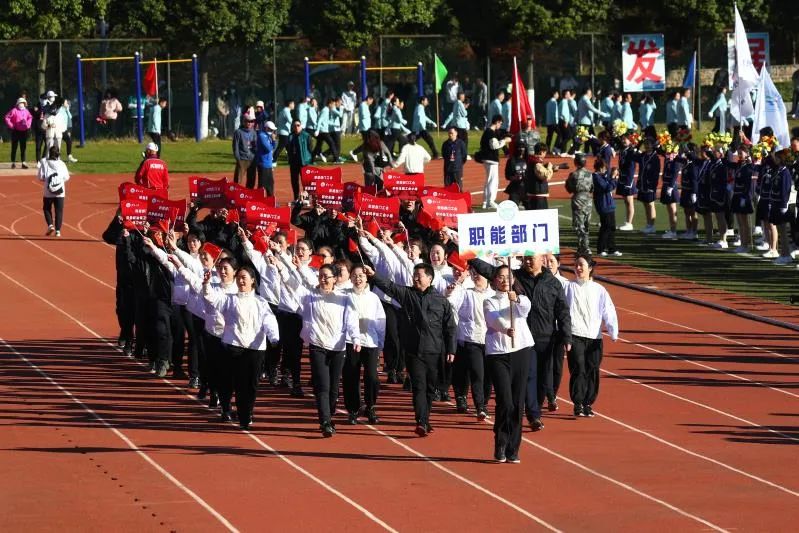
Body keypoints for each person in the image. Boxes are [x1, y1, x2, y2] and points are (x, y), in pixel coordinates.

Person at [367, 263, 457, 437]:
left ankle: (425, 419)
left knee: (431, 389)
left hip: (434, 351)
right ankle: (421, 421)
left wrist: (451, 349)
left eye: (419, 275)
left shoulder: (441, 301)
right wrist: (373, 275)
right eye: (414, 275)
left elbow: (450, 328)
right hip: (414, 351)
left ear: (429, 279)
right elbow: (389, 287)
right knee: (419, 386)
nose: (415, 278)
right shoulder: (407, 295)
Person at [279, 261, 360, 437]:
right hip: (317, 346)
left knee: (333, 388)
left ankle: (329, 415)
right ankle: (325, 422)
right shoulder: (310, 296)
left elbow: (352, 320)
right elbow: (293, 286)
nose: (323, 279)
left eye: (327, 276)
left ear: (334, 279)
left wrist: (355, 338)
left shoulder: (344, 298)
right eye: (321, 276)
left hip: (338, 347)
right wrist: (281, 268)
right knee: (322, 386)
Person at [483, 265, 534, 463]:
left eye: (508, 277)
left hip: (521, 350)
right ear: (495, 280)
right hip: (498, 354)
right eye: (500, 277)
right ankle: (501, 441)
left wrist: (517, 300)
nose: (504, 281)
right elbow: (493, 319)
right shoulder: (489, 300)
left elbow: (525, 310)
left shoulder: (521, 299)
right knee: (505, 401)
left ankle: (513, 447)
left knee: (518, 402)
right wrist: (505, 329)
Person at [565, 254, 618, 418]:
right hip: (576, 334)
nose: (578, 268)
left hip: (594, 337)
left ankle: (588, 403)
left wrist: (612, 330)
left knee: (592, 370)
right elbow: (561, 310)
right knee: (579, 368)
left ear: (590, 268)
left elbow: (608, 310)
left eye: (581, 265)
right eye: (576, 265)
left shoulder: (599, 290)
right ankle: (578, 403)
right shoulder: (568, 287)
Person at [342, 264, 386, 425]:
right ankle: (353, 409)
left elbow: (381, 321)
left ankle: (371, 406)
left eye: (361, 275)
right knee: (351, 375)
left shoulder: (374, 298)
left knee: (372, 377)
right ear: (350, 278)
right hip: (350, 341)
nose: (358, 278)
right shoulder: (345, 295)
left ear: (367, 277)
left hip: (370, 342)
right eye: (354, 275)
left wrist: (380, 343)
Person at [446, 267, 493, 418]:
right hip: (471, 339)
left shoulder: (494, 294)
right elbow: (451, 304)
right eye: (473, 273)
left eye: (479, 273)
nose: (476, 276)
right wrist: (457, 286)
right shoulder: (466, 293)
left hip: (491, 341)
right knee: (477, 374)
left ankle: (484, 402)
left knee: (488, 376)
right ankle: (480, 407)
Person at [37, 145, 70, 237]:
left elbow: (40, 177)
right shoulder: (62, 164)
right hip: (60, 192)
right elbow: (66, 177)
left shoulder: (44, 162)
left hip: (48, 191)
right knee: (59, 211)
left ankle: (50, 225)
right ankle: (58, 231)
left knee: (46, 208)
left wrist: (46, 179)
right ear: (58, 154)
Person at [479, 114, 510, 209]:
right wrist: (505, 141)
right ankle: (491, 201)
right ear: (497, 122)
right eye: (500, 123)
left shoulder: (487, 132)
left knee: (489, 180)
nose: (500, 125)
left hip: (487, 159)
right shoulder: (491, 133)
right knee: (493, 181)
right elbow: (494, 145)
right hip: (491, 159)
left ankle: (486, 201)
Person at [565, 154, 594, 255]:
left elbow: (569, 189)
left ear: (576, 162)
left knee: (579, 224)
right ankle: (583, 246)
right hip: (588, 200)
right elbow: (592, 188)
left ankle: (584, 247)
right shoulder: (590, 174)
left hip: (578, 199)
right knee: (586, 224)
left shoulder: (574, 174)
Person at [592, 159, 621, 257]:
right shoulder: (596, 177)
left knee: (612, 227)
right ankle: (601, 249)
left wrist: (613, 177)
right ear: (600, 168)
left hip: (609, 205)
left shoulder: (602, 176)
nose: (606, 170)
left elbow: (610, 185)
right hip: (603, 205)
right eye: (605, 168)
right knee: (605, 227)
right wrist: (613, 178)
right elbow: (607, 188)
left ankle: (612, 248)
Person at [637, 139, 661, 234]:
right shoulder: (643, 156)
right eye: (645, 144)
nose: (647, 146)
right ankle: (648, 224)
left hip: (650, 184)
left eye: (649, 144)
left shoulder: (655, 158)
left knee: (650, 204)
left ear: (653, 145)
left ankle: (652, 225)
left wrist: (653, 186)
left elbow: (656, 173)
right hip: (643, 183)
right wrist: (637, 144)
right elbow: (633, 156)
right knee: (645, 204)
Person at [524, 142, 556, 210]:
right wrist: (550, 167)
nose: (545, 154)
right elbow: (546, 176)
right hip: (538, 196)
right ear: (541, 152)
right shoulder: (537, 164)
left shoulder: (531, 160)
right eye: (545, 152)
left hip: (534, 194)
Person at [660, 145, 683, 239]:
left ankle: (673, 231)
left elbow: (675, 174)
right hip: (666, 185)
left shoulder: (676, 161)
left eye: (671, 153)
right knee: (670, 210)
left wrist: (670, 187)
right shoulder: (668, 160)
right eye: (668, 153)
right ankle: (672, 229)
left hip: (671, 186)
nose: (669, 154)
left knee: (672, 210)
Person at [616, 134, 638, 231]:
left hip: (628, 180)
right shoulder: (622, 150)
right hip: (623, 178)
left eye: (626, 139)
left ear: (630, 141)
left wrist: (629, 183)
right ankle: (627, 222)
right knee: (626, 201)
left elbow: (631, 168)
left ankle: (629, 223)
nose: (624, 141)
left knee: (629, 201)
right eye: (623, 139)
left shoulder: (631, 152)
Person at [287, 120, 313, 201]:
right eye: (295, 126)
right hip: (294, 162)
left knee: (306, 181)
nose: (296, 127)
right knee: (294, 181)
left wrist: (308, 158)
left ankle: (306, 198)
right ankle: (296, 198)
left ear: (301, 126)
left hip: (304, 162)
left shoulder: (306, 135)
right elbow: (288, 148)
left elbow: (310, 147)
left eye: (298, 125)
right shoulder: (290, 136)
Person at [5, 97, 33, 169]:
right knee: (14, 147)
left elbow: (30, 117)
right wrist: (11, 125)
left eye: (23, 103)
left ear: (25, 104)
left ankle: (23, 162)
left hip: (24, 131)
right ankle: (13, 162)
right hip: (15, 131)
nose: (22, 104)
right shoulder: (14, 110)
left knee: (23, 147)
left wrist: (28, 125)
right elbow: (7, 117)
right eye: (20, 103)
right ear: (17, 104)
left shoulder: (26, 111)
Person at [232, 112, 257, 186]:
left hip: (252, 159)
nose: (249, 123)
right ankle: (235, 195)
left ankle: (248, 196)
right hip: (242, 159)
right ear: (243, 122)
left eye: (251, 121)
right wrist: (238, 159)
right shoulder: (238, 132)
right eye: (247, 121)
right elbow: (235, 147)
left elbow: (256, 146)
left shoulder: (254, 132)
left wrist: (255, 157)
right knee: (238, 181)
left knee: (251, 180)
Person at [349, 94, 374, 162]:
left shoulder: (366, 106)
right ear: (368, 99)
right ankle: (355, 152)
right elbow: (363, 115)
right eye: (371, 101)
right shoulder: (363, 105)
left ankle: (362, 155)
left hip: (367, 127)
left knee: (367, 143)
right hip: (364, 127)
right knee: (367, 143)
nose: (371, 103)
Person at [256, 120, 277, 195]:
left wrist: (273, 141)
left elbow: (273, 147)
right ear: (266, 128)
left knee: (270, 184)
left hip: (268, 164)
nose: (272, 131)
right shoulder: (262, 136)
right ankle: (259, 201)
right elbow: (268, 148)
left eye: (273, 130)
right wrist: (273, 142)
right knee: (262, 184)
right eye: (271, 129)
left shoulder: (269, 136)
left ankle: (270, 200)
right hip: (263, 164)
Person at [58, 98, 78, 163]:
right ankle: (57, 157)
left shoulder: (65, 109)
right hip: (59, 129)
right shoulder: (59, 110)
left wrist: (67, 110)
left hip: (64, 129)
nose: (67, 104)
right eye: (66, 102)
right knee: (58, 143)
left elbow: (70, 116)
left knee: (69, 141)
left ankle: (69, 156)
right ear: (62, 104)